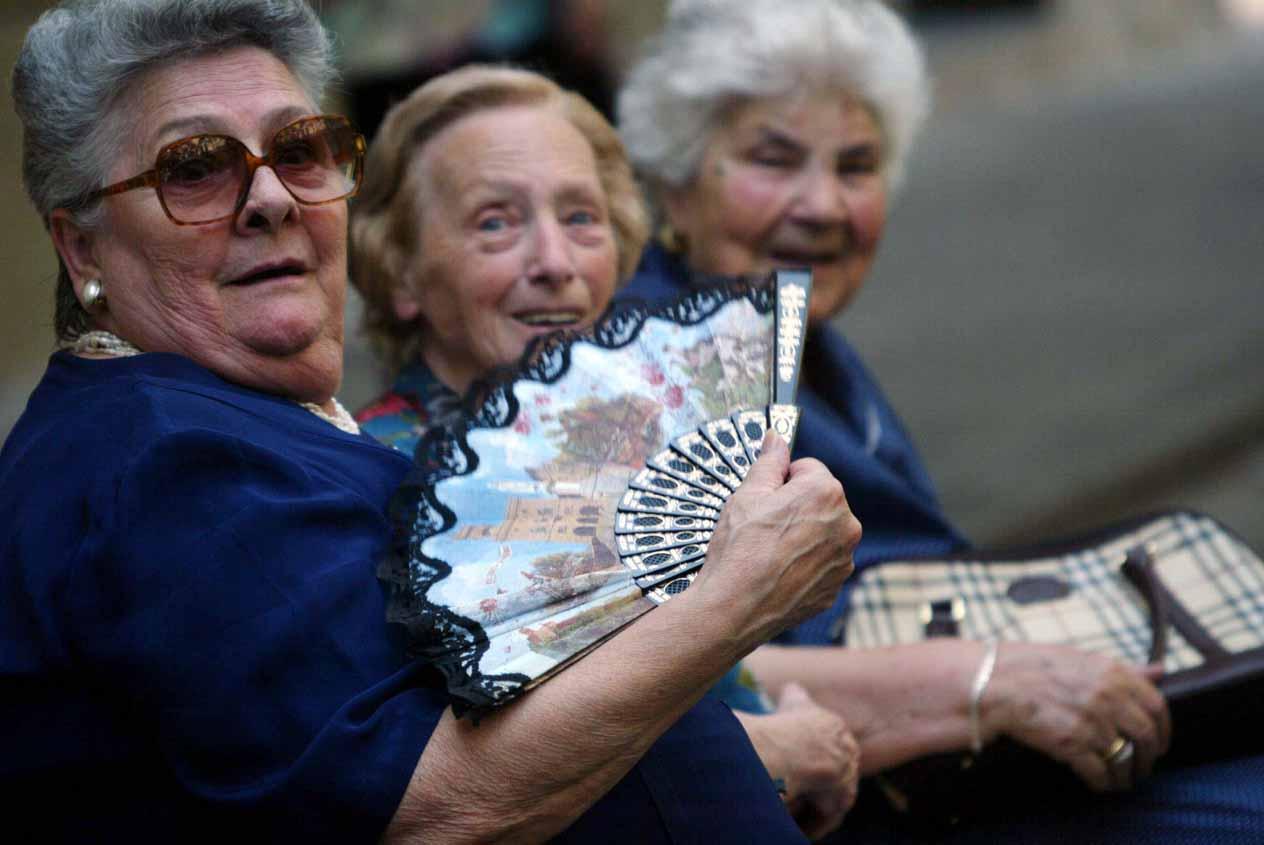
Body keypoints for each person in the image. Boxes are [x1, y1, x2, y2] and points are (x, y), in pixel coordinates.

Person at [0, 1, 864, 842]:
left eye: (301, 150)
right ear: (82, 246)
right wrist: (741, 594)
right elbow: (435, 811)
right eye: (194, 166)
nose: (271, 198)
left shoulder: (225, 417)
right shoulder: (165, 464)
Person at [619, 1, 1264, 841]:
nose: (822, 204)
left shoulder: (798, 336)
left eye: (856, 167)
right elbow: (667, 672)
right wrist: (982, 681)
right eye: (773, 160)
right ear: (675, 179)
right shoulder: (652, 375)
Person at [348, 63, 860, 839]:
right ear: (402, 271)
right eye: (495, 222)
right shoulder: (385, 476)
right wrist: (774, 745)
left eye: (582, 218)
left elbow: (718, 683)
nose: (554, 260)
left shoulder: (627, 448)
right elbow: (470, 770)